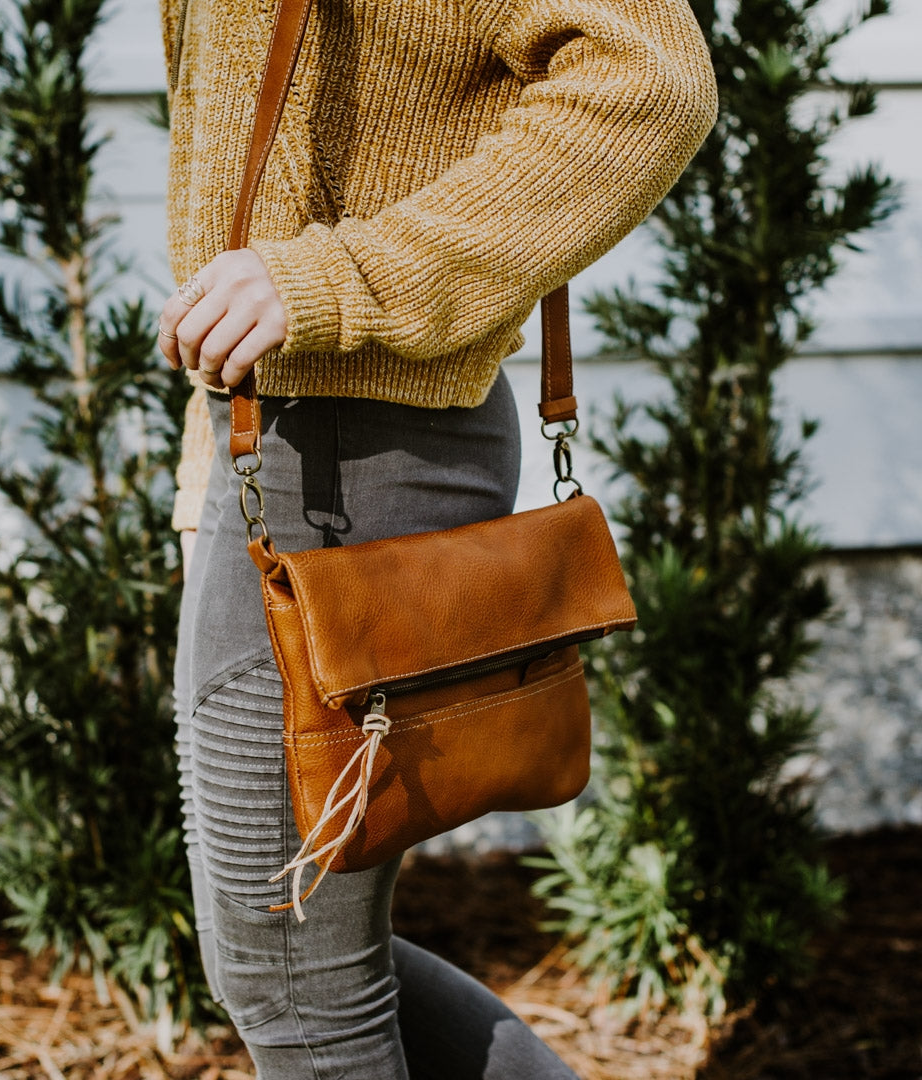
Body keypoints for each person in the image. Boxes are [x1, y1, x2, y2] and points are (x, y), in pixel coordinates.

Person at [155, 1, 717, 1076]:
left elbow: (653, 81)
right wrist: (203, 470)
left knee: (293, 975)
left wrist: (339, 277)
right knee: (272, 959)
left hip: (357, 453)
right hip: (274, 444)